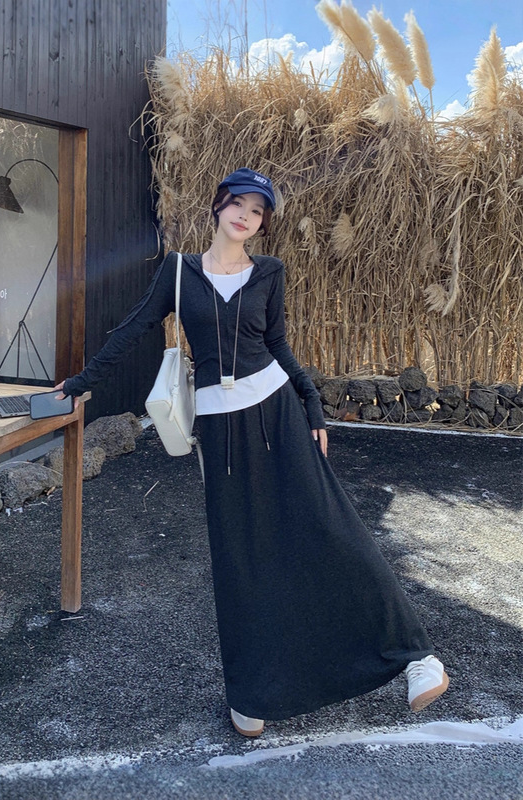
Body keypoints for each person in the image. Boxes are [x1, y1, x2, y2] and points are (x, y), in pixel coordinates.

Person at [56, 167, 450, 737]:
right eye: (238, 203)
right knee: (240, 557)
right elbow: (133, 328)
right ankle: (251, 691)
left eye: (257, 210)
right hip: (221, 430)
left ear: (262, 224)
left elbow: (277, 343)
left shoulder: (269, 272)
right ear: (218, 206)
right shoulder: (178, 271)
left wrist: (311, 405)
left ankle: (416, 657)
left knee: (331, 528)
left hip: (278, 413)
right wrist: (79, 383)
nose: (245, 215)